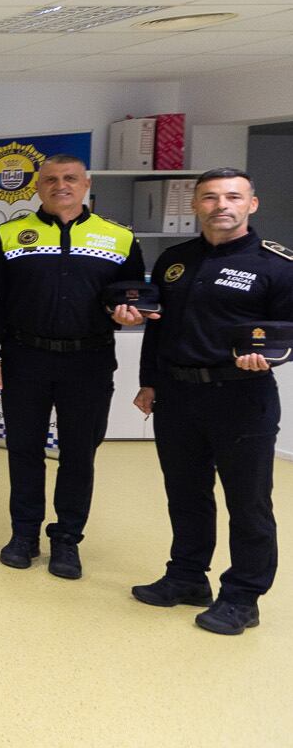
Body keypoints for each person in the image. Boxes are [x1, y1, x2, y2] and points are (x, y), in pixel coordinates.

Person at [125, 167, 292, 636]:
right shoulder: (174, 260)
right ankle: (186, 577)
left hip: (241, 398)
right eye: (211, 197)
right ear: (196, 205)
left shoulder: (277, 266)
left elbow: (288, 335)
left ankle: (243, 596)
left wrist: (270, 360)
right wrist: (149, 381)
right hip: (177, 395)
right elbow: (158, 327)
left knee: (248, 502)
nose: (222, 205)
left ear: (251, 204)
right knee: (186, 493)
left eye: (233, 197)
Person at [0, 154, 144, 579]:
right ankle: (24, 534)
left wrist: (131, 314)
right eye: (51, 179)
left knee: (79, 455)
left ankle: (67, 539)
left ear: (86, 183)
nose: (61, 185)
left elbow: (134, 300)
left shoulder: (120, 238)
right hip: (25, 358)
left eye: (70, 178)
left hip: (88, 361)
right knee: (24, 451)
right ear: (38, 187)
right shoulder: (10, 235)